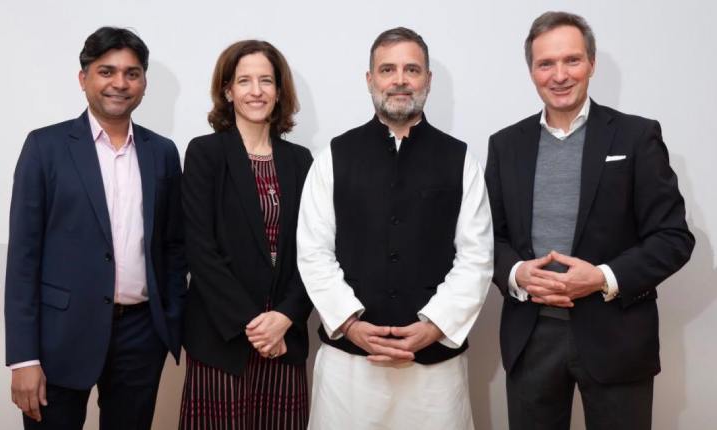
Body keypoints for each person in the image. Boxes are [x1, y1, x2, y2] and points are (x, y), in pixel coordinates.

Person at [485, 11, 695, 430]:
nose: (560, 75)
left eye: (572, 60)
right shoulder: (505, 144)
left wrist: (602, 277)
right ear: (532, 71)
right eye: (546, 64)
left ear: (592, 64)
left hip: (617, 337)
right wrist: (517, 273)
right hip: (531, 337)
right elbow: (488, 238)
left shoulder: (636, 136)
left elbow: (673, 237)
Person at [297, 27, 493, 429]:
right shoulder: (333, 156)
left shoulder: (460, 160)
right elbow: (314, 251)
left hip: (435, 374)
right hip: (349, 370)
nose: (400, 80)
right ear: (370, 79)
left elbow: (476, 257)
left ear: (428, 80)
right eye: (388, 69)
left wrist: (433, 327)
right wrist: (350, 325)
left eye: (411, 69)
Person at [4, 27, 187, 429]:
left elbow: (173, 244)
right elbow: (23, 259)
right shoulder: (45, 147)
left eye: (132, 73)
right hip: (59, 337)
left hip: (141, 336)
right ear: (83, 78)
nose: (120, 83)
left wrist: (168, 320)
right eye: (107, 71)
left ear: (144, 83)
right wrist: (23, 357)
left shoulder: (162, 152)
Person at [179, 40, 313, 430]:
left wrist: (284, 317)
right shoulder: (205, 153)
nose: (256, 91)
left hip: (283, 338)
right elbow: (200, 250)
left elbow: (314, 250)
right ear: (227, 91)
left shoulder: (301, 161)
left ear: (279, 91)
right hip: (223, 337)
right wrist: (255, 325)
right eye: (244, 81)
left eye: (266, 81)